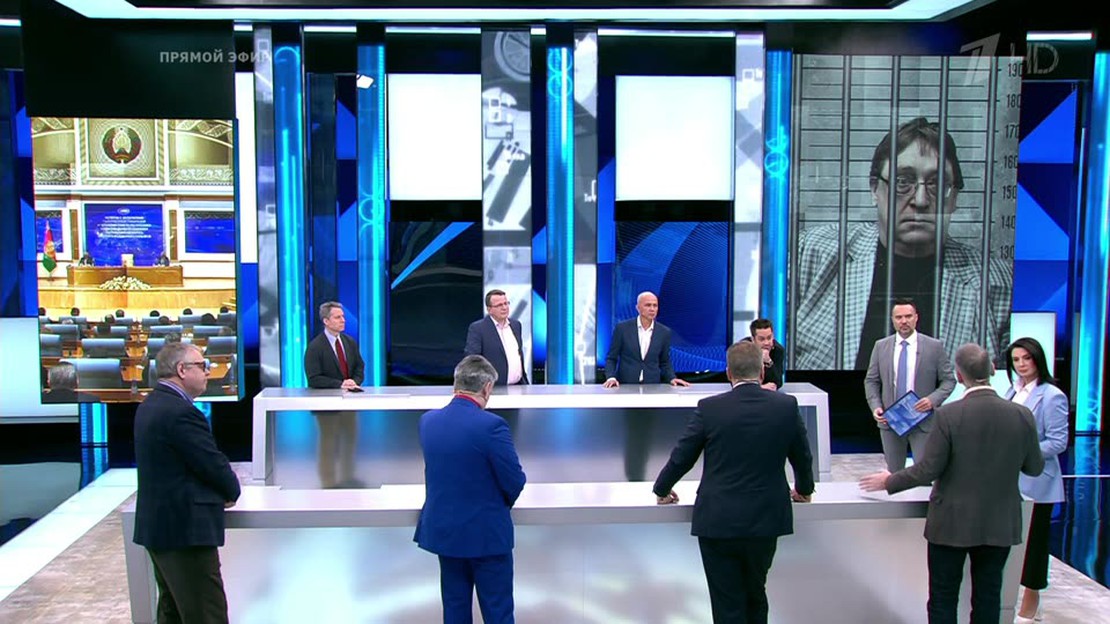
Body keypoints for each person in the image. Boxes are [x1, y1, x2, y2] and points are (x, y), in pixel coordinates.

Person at [794, 117, 1012, 370]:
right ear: (874, 189)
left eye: (937, 184)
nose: (920, 200)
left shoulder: (998, 283)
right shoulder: (811, 254)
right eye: (902, 182)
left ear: (953, 198)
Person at [860, 344, 1044, 624]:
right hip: (999, 523)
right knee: (988, 597)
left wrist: (889, 481)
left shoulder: (948, 415)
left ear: (958, 376)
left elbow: (928, 469)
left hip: (951, 524)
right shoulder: (1021, 415)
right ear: (992, 370)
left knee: (943, 598)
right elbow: (1034, 467)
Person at [653, 341, 814, 624]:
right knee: (756, 594)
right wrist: (804, 490)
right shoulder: (786, 406)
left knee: (727, 603)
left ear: (728, 373)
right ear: (761, 372)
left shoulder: (710, 408)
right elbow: (802, 457)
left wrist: (662, 489)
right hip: (765, 519)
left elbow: (682, 457)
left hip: (719, 520)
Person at [132, 341, 241, 624]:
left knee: (174, 613)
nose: (208, 372)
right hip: (184, 532)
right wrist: (232, 490)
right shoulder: (180, 412)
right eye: (202, 366)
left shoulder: (152, 404)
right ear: (182, 370)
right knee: (206, 615)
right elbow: (211, 463)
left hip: (163, 529)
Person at [415, 355, 526, 624]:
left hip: (446, 534)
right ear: (486, 388)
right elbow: (514, 481)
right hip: (486, 535)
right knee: (498, 613)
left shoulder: (428, 422)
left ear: (456, 383)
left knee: (454, 612)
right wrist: (497, 504)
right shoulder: (492, 425)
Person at [1004, 338, 1068, 623]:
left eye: (1026, 358)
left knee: (1034, 545)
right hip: (1010, 479)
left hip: (1038, 481)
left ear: (1038, 359)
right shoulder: (1013, 391)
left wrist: (1021, 452)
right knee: (1014, 543)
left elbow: (1058, 442)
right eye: (1016, 360)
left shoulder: (1052, 396)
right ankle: (1023, 601)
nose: (1021, 365)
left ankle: (1031, 605)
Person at [864, 298, 955, 473]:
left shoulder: (934, 346)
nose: (904, 321)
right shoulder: (881, 346)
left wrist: (932, 400)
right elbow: (871, 381)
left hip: (922, 419)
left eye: (908, 316)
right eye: (899, 317)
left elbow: (949, 380)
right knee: (894, 474)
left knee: (925, 473)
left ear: (916, 318)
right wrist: (876, 406)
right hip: (891, 420)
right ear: (892, 320)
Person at [304, 301, 366, 489]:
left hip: (349, 404)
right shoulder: (315, 347)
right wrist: (339, 384)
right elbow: (314, 378)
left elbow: (359, 366)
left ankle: (348, 477)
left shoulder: (349, 342)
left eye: (343, 317)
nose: (343, 320)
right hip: (327, 406)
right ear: (326, 321)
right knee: (329, 443)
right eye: (338, 317)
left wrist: (354, 381)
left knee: (350, 441)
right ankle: (328, 482)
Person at [602, 291, 689, 388]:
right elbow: (611, 358)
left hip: (652, 386)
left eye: (655, 305)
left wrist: (672, 378)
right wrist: (611, 377)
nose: (652, 309)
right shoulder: (622, 329)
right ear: (638, 308)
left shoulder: (664, 332)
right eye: (648, 305)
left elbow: (664, 362)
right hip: (626, 385)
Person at [464, 289, 528, 386]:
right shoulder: (478, 328)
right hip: (492, 388)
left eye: (506, 303)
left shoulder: (516, 325)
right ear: (489, 309)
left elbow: (518, 355)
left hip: (518, 386)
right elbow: (472, 360)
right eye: (499, 305)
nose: (504, 308)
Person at [740, 318, 786, 390]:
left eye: (769, 338)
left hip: (769, 393)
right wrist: (759, 387)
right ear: (753, 339)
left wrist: (768, 361)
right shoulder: (742, 350)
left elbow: (778, 382)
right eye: (761, 339)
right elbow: (737, 381)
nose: (766, 343)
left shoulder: (778, 350)